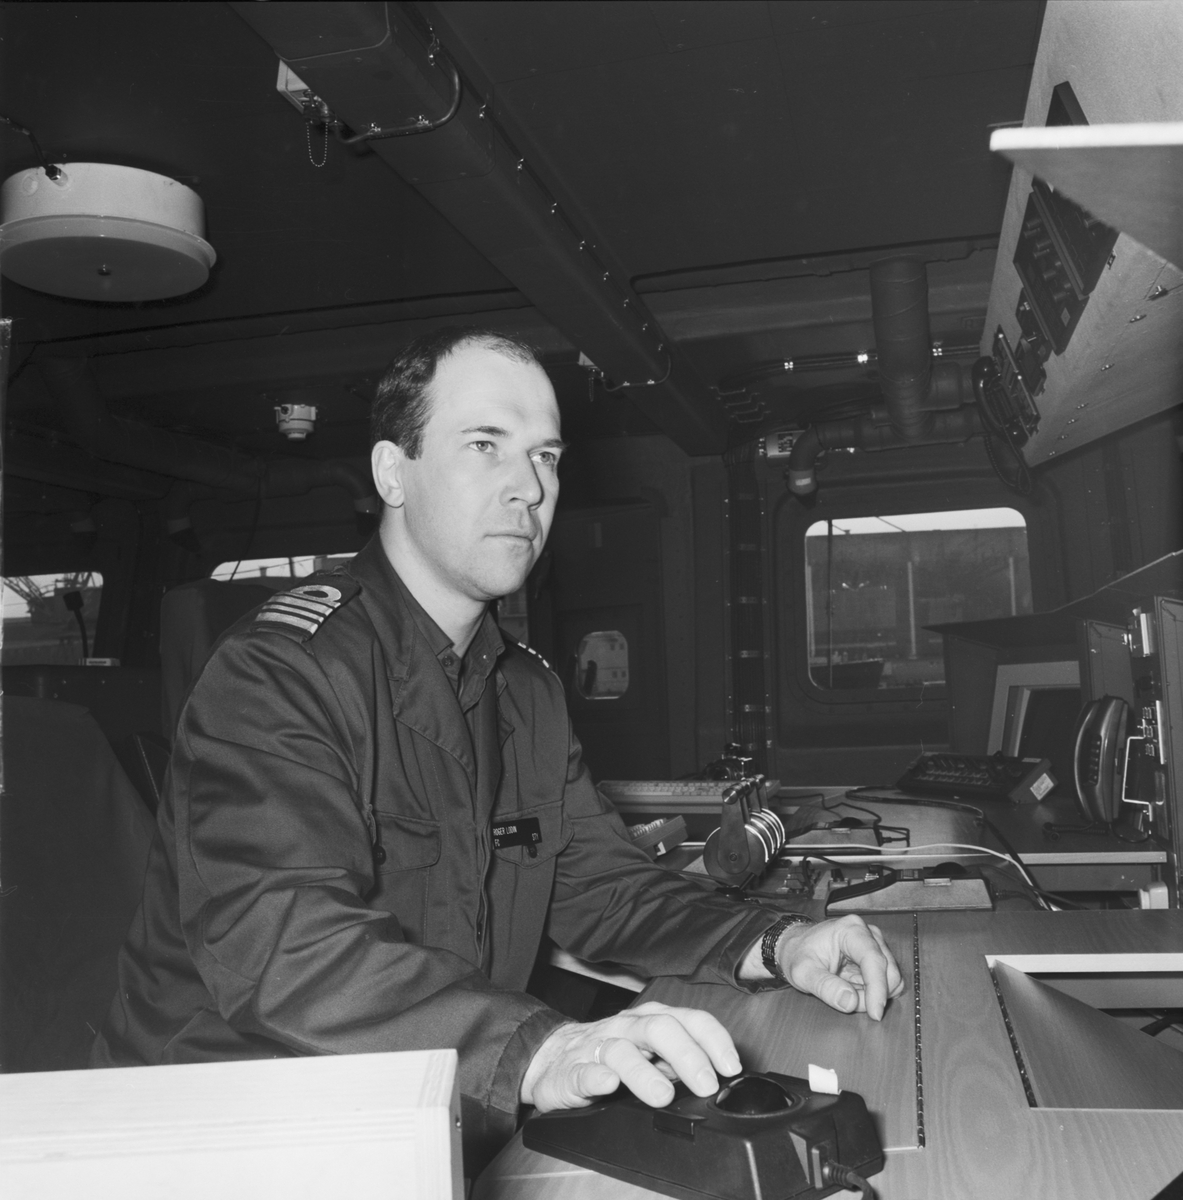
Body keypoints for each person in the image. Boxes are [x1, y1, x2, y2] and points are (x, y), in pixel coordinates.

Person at [94, 327, 903, 1172]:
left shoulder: (525, 691)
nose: (530, 486)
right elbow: (286, 947)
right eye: (485, 445)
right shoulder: (278, 672)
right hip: (230, 1131)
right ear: (391, 473)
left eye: (545, 456)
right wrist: (540, 1050)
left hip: (433, 1106)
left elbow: (607, 890)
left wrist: (776, 944)